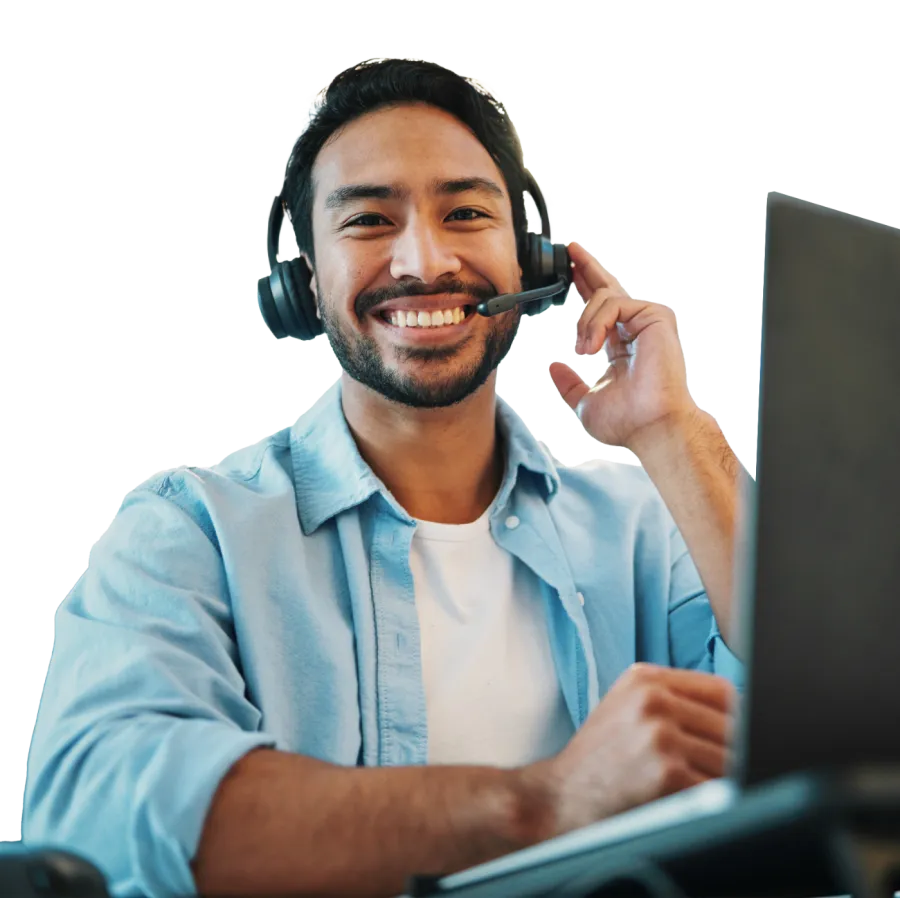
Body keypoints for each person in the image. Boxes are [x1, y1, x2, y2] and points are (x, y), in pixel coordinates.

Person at [22, 56, 750, 898]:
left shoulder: (640, 534)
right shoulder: (191, 534)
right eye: (369, 219)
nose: (422, 260)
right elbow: (98, 816)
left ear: (533, 257)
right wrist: (538, 804)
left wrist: (671, 432)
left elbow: (824, 719)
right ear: (302, 281)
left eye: (467, 211)